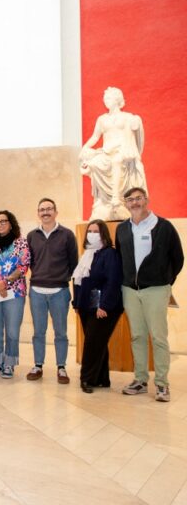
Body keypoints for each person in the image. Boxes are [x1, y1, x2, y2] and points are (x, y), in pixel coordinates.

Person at [117, 187, 183, 402]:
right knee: (137, 336)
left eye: (138, 198)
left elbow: (178, 258)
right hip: (130, 290)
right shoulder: (122, 229)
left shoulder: (163, 226)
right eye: (130, 200)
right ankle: (140, 380)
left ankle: (162, 384)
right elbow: (120, 257)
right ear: (125, 204)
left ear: (146, 200)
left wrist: (165, 282)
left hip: (156, 289)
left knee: (158, 337)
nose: (134, 203)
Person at [25, 198, 78, 385]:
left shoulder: (67, 235)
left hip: (59, 292)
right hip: (37, 291)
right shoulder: (31, 236)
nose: (45, 212)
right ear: (38, 213)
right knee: (38, 331)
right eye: (42, 209)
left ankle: (61, 367)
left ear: (56, 212)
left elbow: (74, 263)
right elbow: (29, 262)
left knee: (61, 332)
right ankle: (38, 365)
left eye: (49, 209)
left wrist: (60, 277)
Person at [80, 87, 148, 220]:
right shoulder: (102, 119)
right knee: (94, 163)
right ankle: (102, 201)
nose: (106, 101)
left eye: (109, 98)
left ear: (117, 100)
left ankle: (116, 199)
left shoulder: (127, 117)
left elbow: (137, 133)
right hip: (106, 151)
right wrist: (85, 148)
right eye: (105, 99)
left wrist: (137, 123)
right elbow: (95, 137)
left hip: (123, 152)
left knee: (116, 161)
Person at [72, 220, 123, 393]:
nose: (92, 234)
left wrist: (105, 306)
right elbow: (79, 280)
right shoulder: (87, 254)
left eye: (96, 231)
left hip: (103, 307)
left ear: (104, 234)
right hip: (86, 306)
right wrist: (77, 303)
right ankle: (101, 379)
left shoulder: (109, 254)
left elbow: (113, 281)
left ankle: (86, 379)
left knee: (92, 343)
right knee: (98, 342)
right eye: (90, 231)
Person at [0, 210, 30, 379]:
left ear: (11, 223)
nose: (0, 224)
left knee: (12, 331)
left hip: (15, 293)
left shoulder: (21, 243)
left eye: (4, 221)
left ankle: (9, 364)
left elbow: (23, 266)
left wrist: (6, 282)